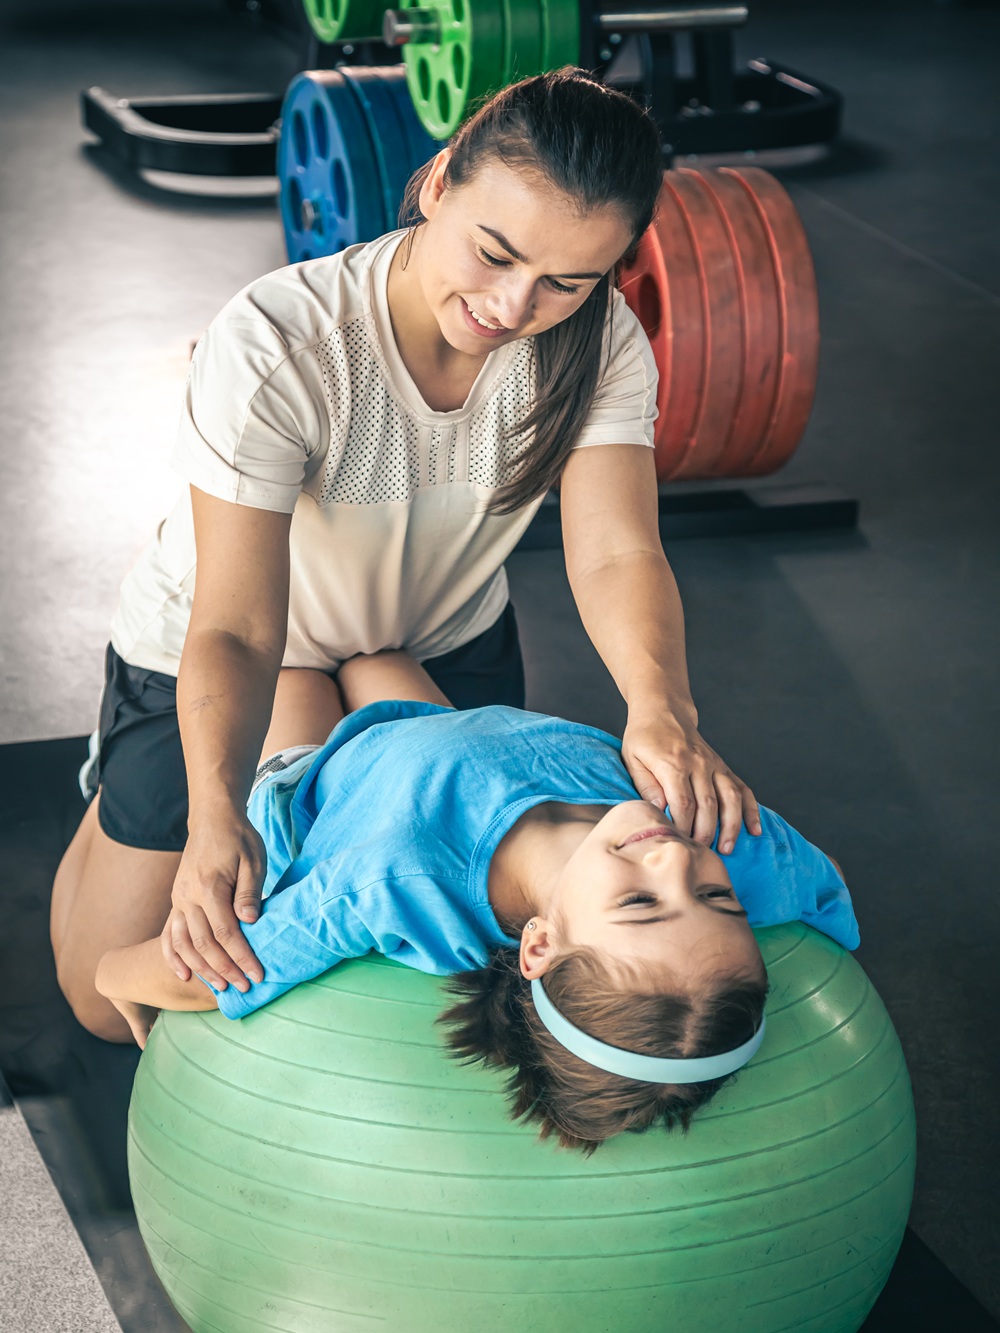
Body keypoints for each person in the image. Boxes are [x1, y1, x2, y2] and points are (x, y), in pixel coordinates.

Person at [54, 68, 764, 1045]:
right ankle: (116, 786)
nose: (515, 304)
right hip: (230, 650)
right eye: (495, 252)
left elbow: (614, 551)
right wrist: (215, 816)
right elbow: (239, 624)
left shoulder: (599, 345)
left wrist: (661, 708)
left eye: (567, 280)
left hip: (436, 634)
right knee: (102, 1005)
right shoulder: (281, 341)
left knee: (442, 951)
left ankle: (346, 715)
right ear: (438, 184)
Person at [96, 652, 858, 1153]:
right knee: (377, 656)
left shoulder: (393, 880)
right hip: (440, 727)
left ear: (540, 945)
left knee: (295, 673)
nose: (672, 858)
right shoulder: (717, 831)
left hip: (322, 785)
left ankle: (109, 768)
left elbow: (222, 967)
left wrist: (114, 974)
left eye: (638, 901)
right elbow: (826, 899)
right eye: (714, 896)